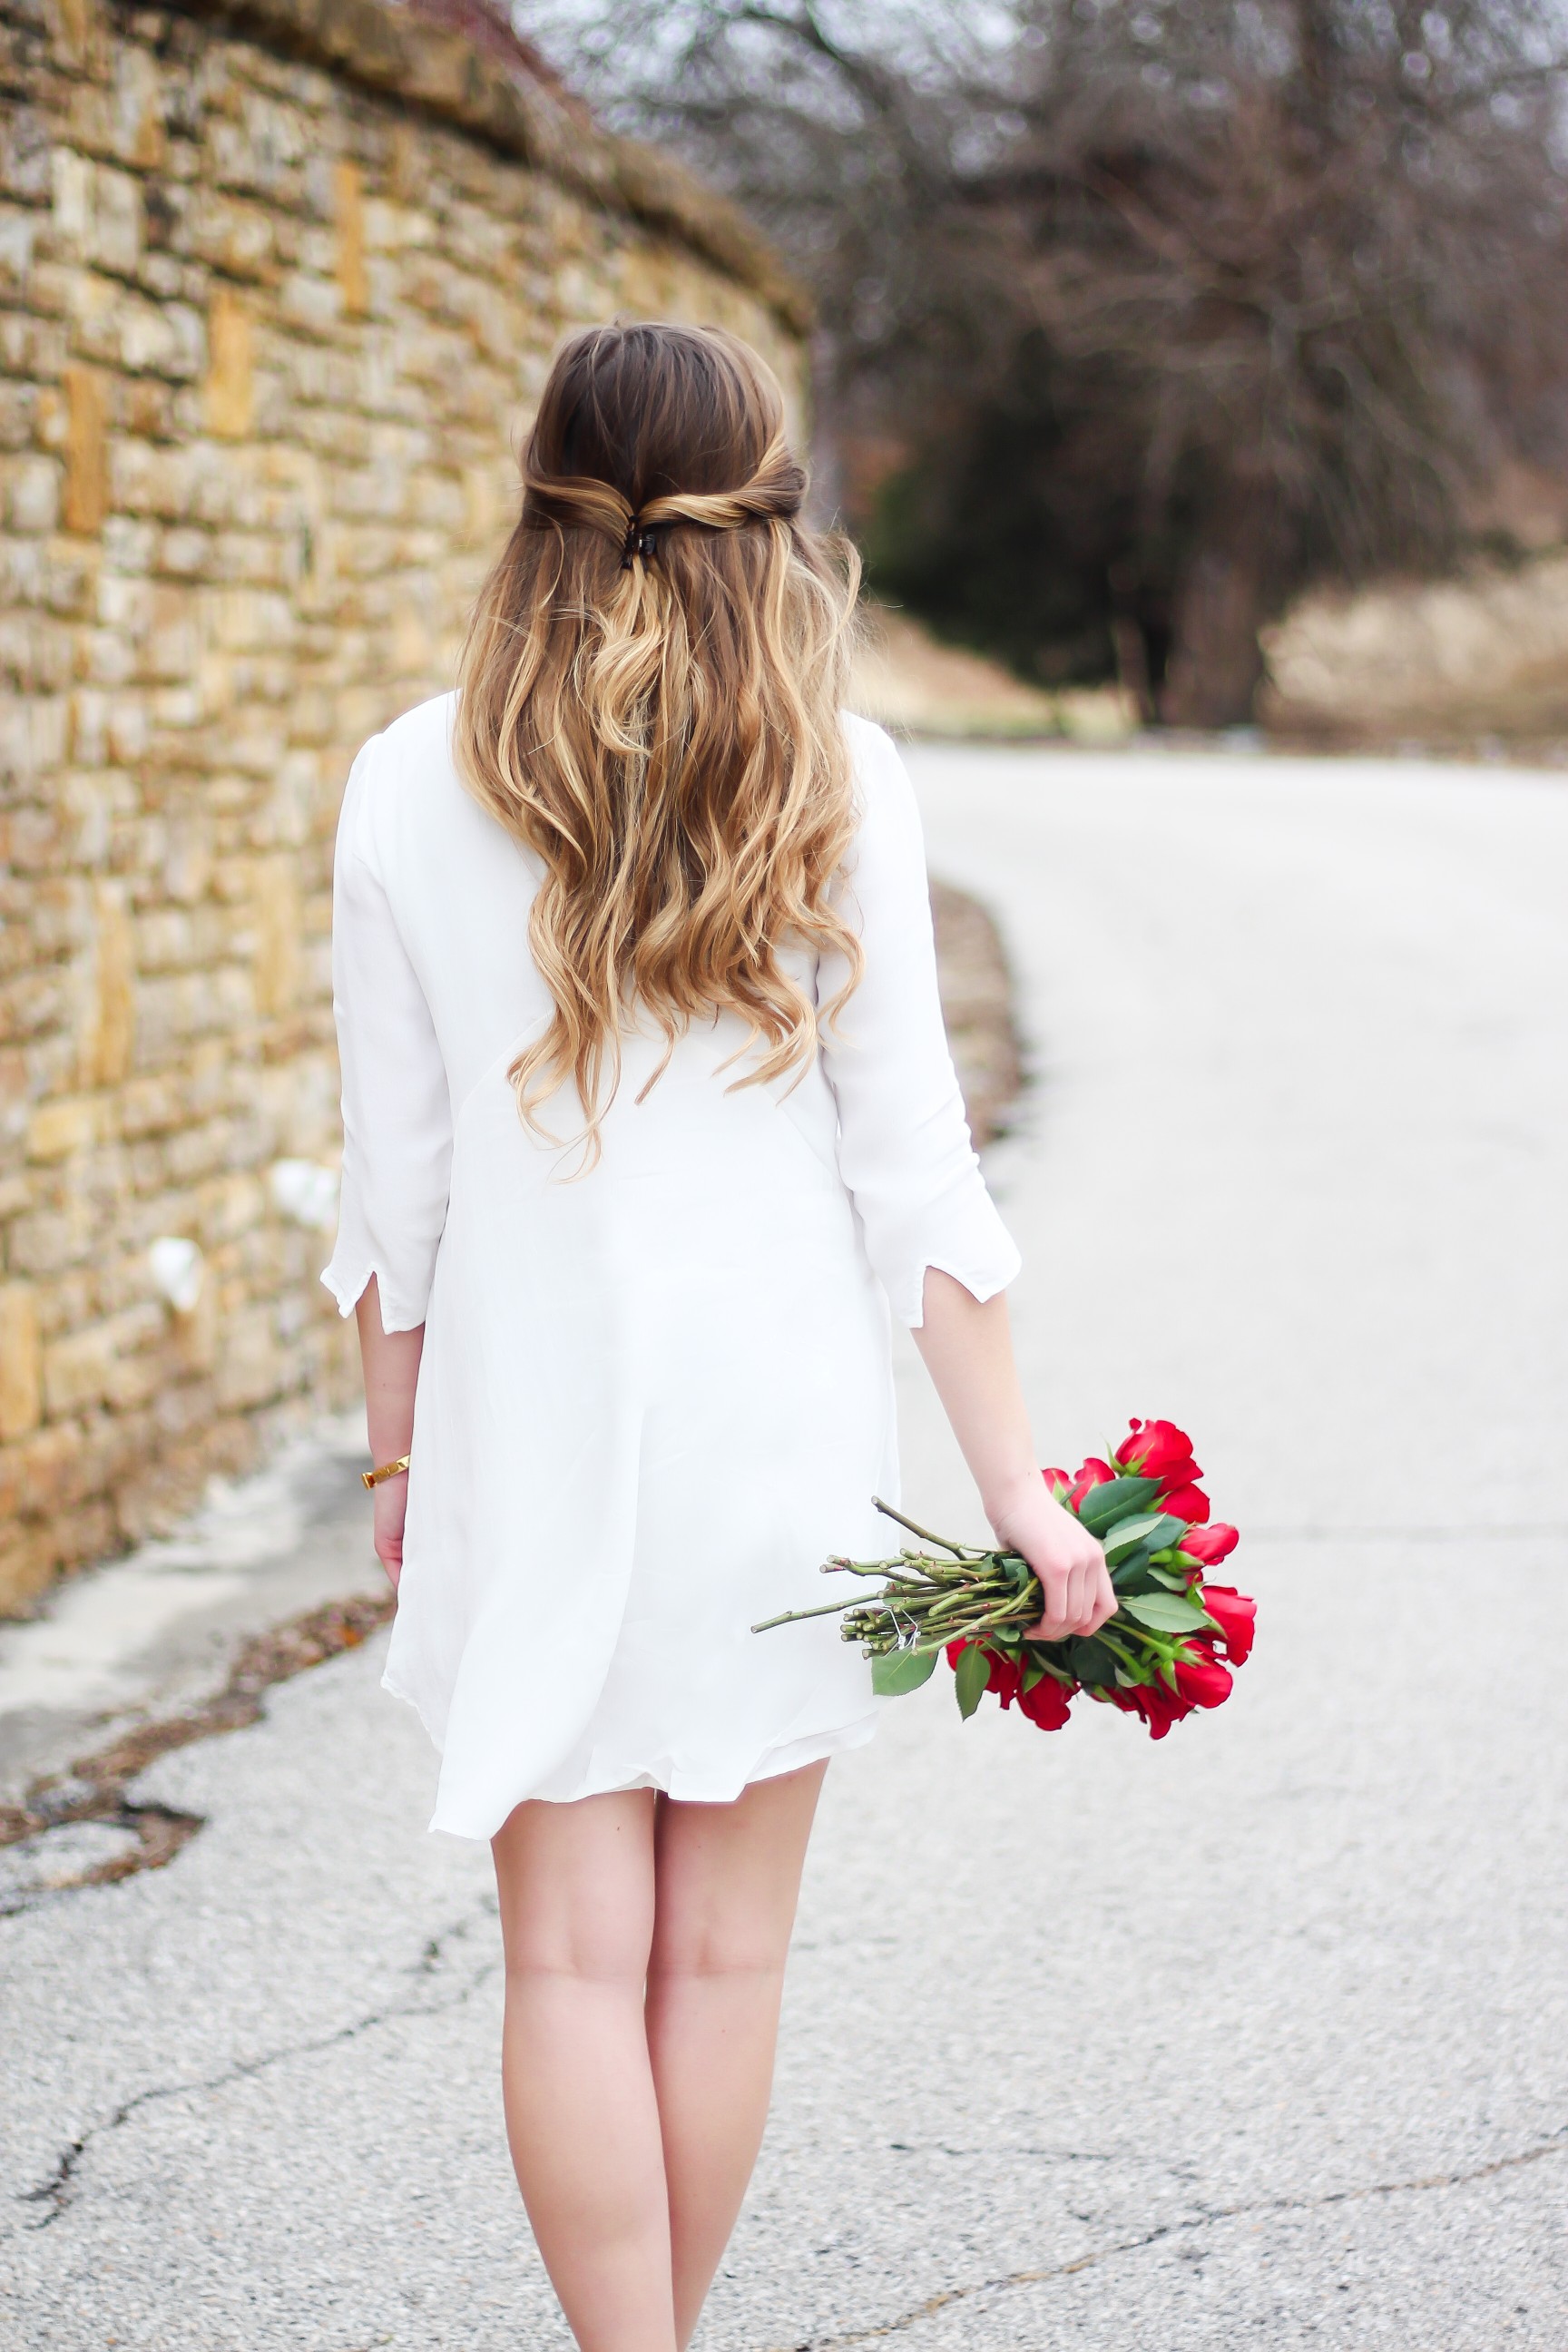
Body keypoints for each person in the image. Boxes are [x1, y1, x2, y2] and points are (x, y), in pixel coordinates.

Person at [323, 320, 1114, 2352]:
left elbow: (394, 1204)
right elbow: (917, 1177)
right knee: (724, 1971)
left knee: (571, 1969)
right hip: (783, 1440)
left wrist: (402, 1471)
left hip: (531, 1425)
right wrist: (1022, 1491)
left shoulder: (415, 781)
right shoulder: (838, 774)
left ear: (540, 497)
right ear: (771, 507)